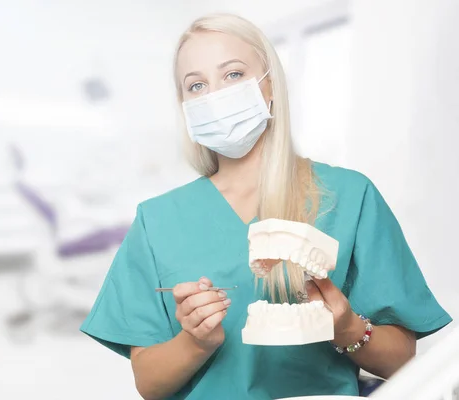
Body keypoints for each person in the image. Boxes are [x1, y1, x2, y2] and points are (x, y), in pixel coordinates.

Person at [79, 13, 452, 400]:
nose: (214, 95)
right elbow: (149, 385)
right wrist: (196, 342)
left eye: (234, 74)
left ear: (270, 84)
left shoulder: (350, 196)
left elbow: (404, 360)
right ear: (185, 107)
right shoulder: (157, 220)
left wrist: (348, 329)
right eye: (196, 85)